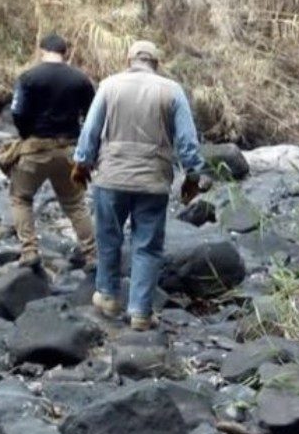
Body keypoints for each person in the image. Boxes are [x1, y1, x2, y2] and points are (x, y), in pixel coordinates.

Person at [72, 40, 207, 331]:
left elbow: (91, 130)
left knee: (109, 237)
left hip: (112, 176)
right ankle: (141, 314)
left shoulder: (110, 85)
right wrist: (192, 176)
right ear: (156, 63)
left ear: (129, 60)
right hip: (154, 180)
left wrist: (82, 164)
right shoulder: (172, 90)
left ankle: (107, 296)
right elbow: (186, 140)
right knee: (147, 247)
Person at [7, 33, 97, 271]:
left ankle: (29, 250)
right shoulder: (80, 79)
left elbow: (17, 112)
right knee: (76, 204)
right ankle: (92, 255)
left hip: (35, 148)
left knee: (21, 198)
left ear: (42, 50)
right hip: (69, 150)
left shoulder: (28, 77)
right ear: (64, 53)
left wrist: (26, 133)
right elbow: (92, 116)